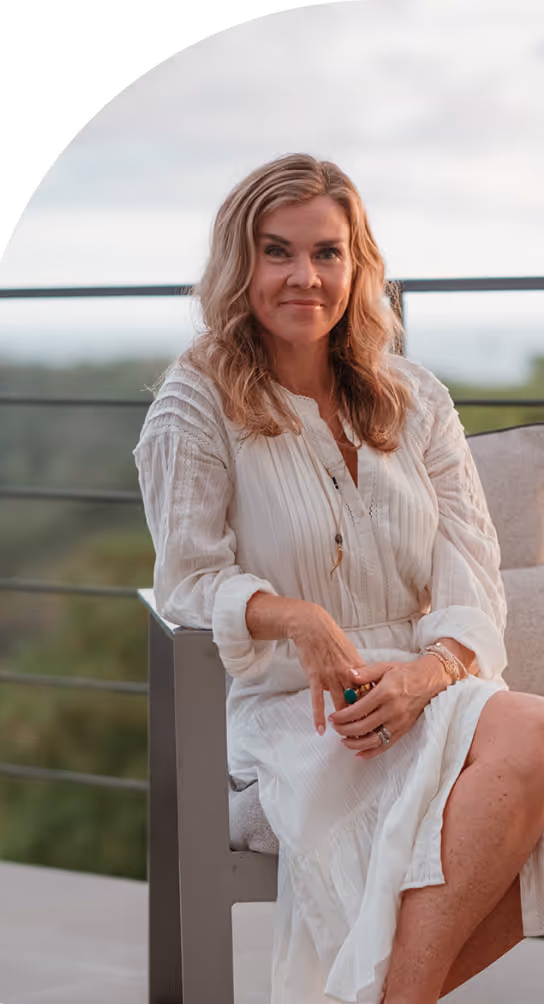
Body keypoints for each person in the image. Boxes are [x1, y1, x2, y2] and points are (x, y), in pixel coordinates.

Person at [132, 153, 544, 1004]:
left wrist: (429, 672)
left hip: (427, 686)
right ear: (240, 264)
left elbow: (472, 569)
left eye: (327, 252)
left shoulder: (416, 397)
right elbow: (188, 579)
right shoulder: (195, 401)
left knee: (535, 739)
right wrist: (296, 617)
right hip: (294, 704)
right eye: (277, 251)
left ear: (358, 266)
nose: (305, 277)